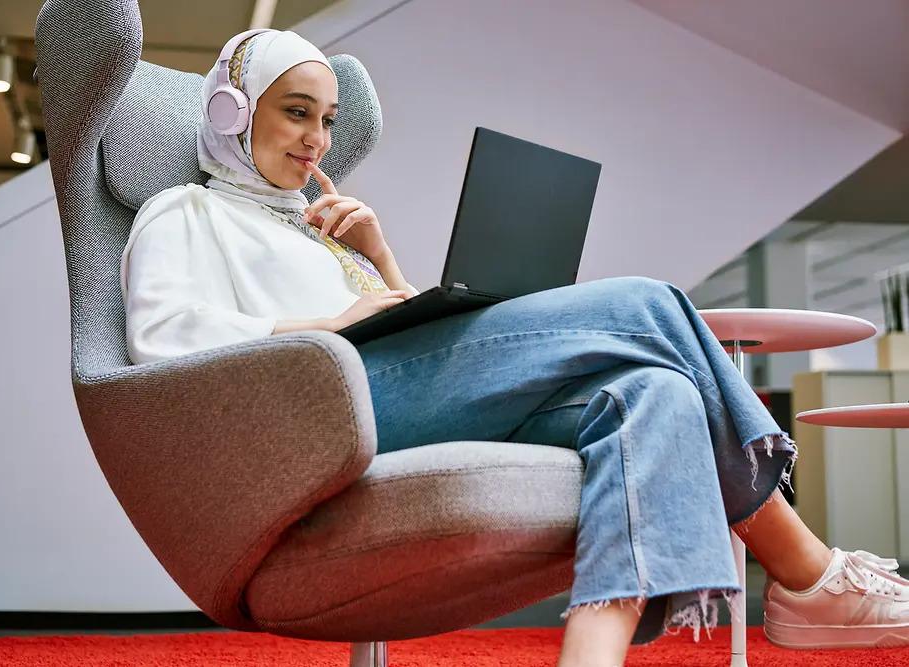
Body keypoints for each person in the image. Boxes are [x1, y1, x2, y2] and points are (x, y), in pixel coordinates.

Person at [120, 29, 909, 667]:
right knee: (648, 305)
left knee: (653, 391)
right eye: (296, 112)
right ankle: (807, 572)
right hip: (324, 412)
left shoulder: (322, 227)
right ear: (230, 113)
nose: (317, 140)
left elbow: (401, 322)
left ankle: (592, 657)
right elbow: (161, 342)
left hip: (389, 391)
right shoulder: (183, 211)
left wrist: (382, 257)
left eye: (326, 120)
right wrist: (325, 326)